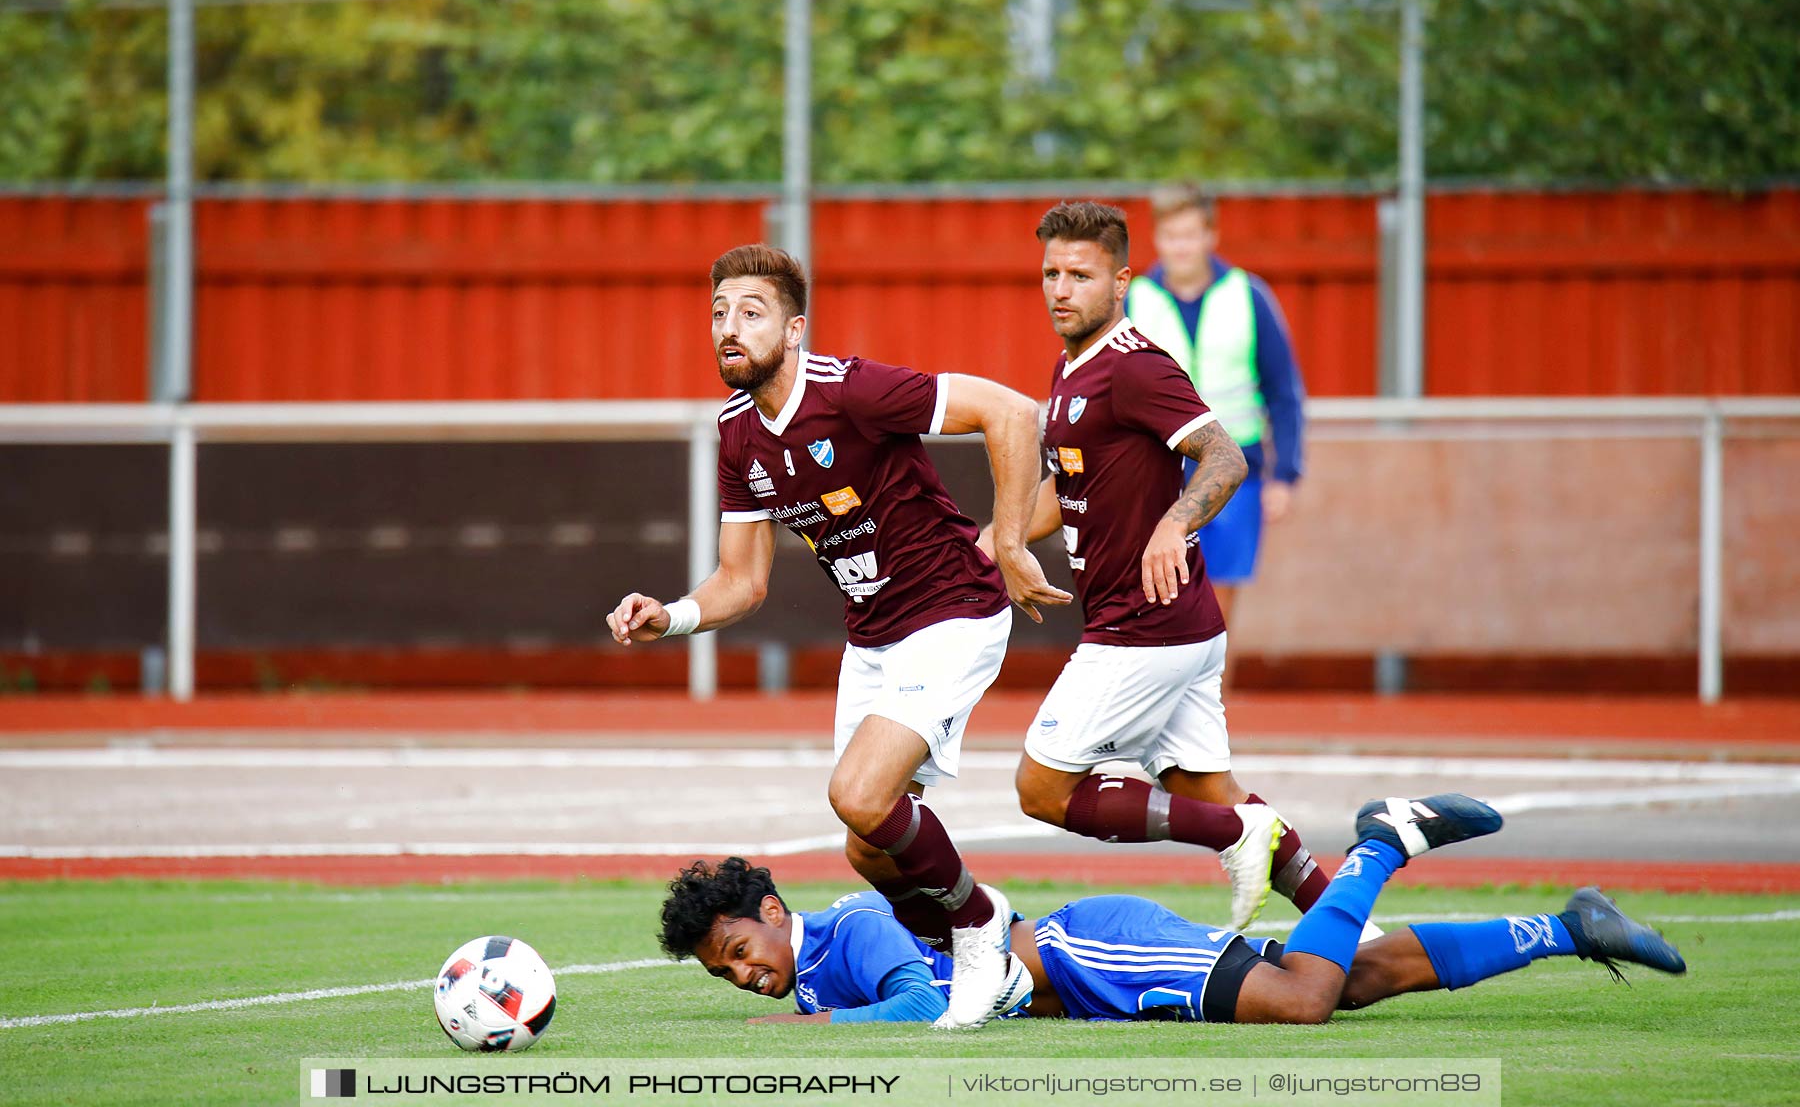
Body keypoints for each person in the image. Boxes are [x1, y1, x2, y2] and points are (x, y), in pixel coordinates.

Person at [607, 243, 1072, 1031]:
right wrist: (673, 616)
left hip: (954, 611)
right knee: (869, 848)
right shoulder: (735, 434)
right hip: (876, 640)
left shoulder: (850, 390)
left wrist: (1011, 543)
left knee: (857, 794)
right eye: (719, 313)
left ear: (794, 331)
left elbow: (1013, 413)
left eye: (751, 313)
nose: (729, 328)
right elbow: (742, 582)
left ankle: (980, 928)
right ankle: (972, 967)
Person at [979, 201, 1333, 934]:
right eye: (1051, 273)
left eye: (1081, 274)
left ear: (1121, 283)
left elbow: (1227, 455)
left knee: (1041, 788)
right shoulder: (1072, 366)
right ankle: (1349, 930)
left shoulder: (1134, 366)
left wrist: (1175, 523)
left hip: (1142, 628)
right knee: (1207, 786)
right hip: (1181, 626)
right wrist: (993, 544)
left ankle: (1233, 839)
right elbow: (1064, 487)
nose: (1061, 288)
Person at [658, 793, 1686, 1026]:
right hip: (1091, 980)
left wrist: (834, 1027)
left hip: (1093, 950)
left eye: (741, 948)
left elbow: (918, 1009)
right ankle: (1568, 928)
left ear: (777, 911)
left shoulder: (848, 931)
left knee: (1300, 1003)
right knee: (1356, 976)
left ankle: (1381, 842)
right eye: (727, 972)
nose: (746, 972)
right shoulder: (804, 983)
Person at [1126, 185, 1306, 647]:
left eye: (1191, 234)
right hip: (1157, 469)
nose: (1181, 246)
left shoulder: (1249, 296)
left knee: (1219, 600)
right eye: (1171, 236)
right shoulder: (1134, 300)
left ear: (1211, 235)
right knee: (1159, 592)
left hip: (1236, 468)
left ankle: (1214, 710)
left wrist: (1284, 474)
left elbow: (1283, 392)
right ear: (1158, 239)